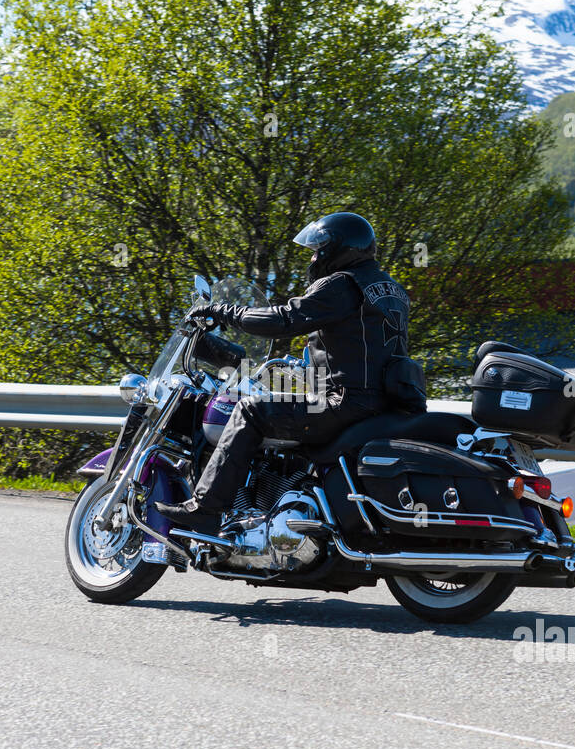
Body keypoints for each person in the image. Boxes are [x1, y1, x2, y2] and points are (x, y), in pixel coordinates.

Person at [156, 211, 413, 531]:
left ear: (341, 249)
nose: (315, 257)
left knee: (250, 411)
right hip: (383, 405)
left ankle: (206, 507)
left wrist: (223, 312)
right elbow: (361, 347)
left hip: (345, 404)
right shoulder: (392, 290)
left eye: (320, 249)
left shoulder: (343, 284)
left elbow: (285, 319)